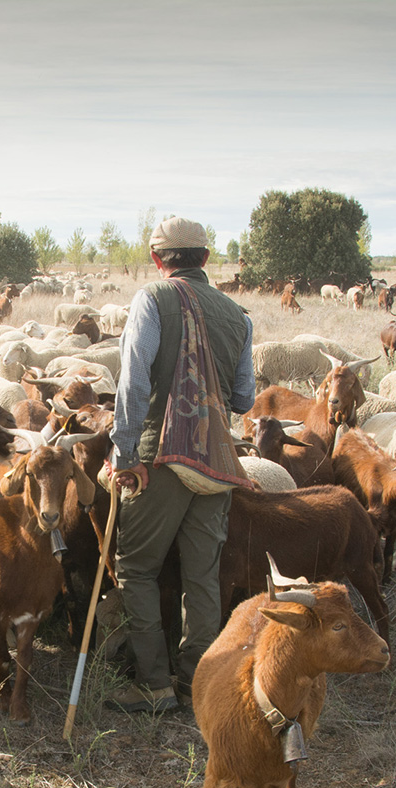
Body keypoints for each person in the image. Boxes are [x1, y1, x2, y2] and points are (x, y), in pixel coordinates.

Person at [103, 215, 256, 714]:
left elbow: (134, 382)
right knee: (202, 577)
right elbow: (244, 397)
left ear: (157, 259)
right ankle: (198, 683)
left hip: (160, 457)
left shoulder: (152, 298)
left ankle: (154, 685)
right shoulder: (238, 316)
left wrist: (125, 455)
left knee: (138, 569)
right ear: (206, 259)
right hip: (216, 461)